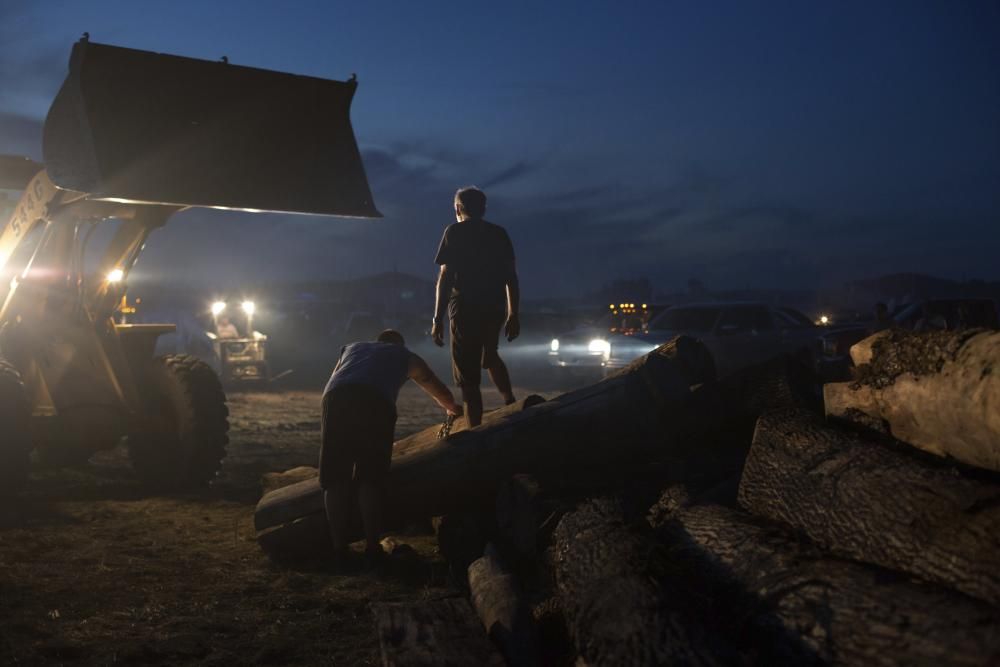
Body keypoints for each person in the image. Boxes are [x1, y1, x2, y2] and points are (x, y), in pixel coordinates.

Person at [320, 329, 460, 568]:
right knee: (370, 477)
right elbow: (434, 386)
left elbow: (338, 377)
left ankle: (338, 549)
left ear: (378, 340)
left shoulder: (353, 347)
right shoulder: (406, 356)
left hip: (335, 398)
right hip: (374, 402)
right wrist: (453, 409)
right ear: (400, 344)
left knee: (335, 477)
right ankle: (373, 548)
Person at [431, 186, 520, 427]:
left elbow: (446, 277)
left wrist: (437, 318)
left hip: (465, 308)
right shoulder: (499, 233)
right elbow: (511, 277)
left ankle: (474, 432)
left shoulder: (454, 232)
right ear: (483, 208)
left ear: (458, 208)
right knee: (489, 355)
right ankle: (510, 401)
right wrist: (513, 314)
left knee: (468, 379)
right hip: (495, 307)